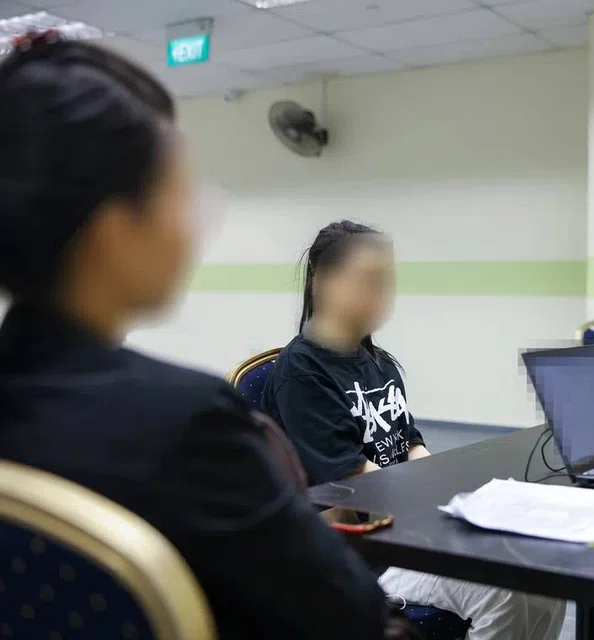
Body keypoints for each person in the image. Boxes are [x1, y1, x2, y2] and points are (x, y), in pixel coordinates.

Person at [0, 33, 414, 640]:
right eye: (179, 190)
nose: (201, 216)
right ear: (113, 228)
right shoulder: (187, 422)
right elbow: (346, 611)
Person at [262, 221, 566, 640]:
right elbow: (354, 488)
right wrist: (446, 509)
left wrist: (464, 493)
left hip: (403, 531)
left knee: (548, 579)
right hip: (360, 554)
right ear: (321, 279)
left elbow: (410, 448)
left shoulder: (379, 362)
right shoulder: (302, 369)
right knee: (503, 591)